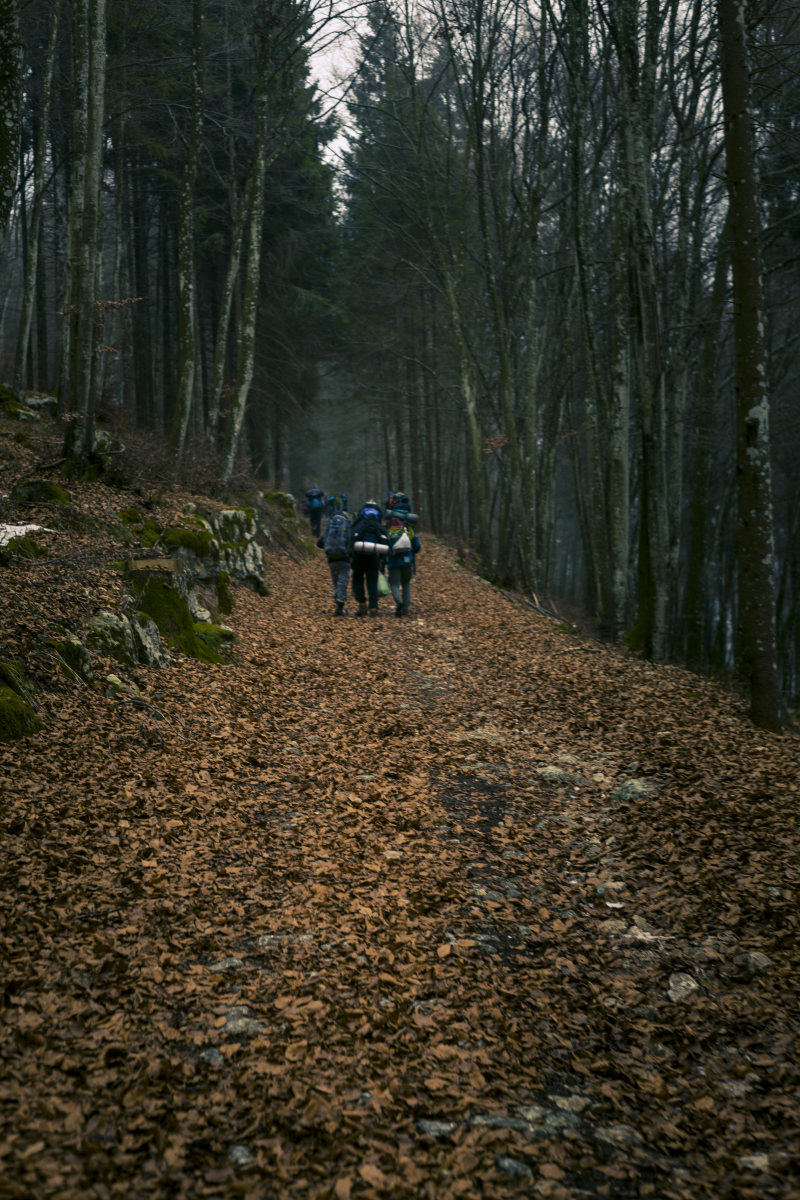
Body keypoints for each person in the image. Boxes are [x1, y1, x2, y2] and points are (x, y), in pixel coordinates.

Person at [350, 499, 388, 616]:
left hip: (359, 557)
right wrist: (382, 559)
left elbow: (351, 538)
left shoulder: (360, 521)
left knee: (358, 579)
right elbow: (385, 542)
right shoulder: (378, 523)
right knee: (372, 581)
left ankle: (362, 605)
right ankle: (373, 609)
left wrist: (351, 556)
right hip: (373, 557)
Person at [316, 505, 352, 616]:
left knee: (335, 581)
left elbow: (320, 543)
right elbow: (351, 541)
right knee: (343, 582)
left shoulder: (330, 525)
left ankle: (337, 595)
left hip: (331, 559)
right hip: (344, 559)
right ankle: (340, 607)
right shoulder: (347, 525)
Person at [385, 509, 421, 618]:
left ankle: (398, 602)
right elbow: (417, 546)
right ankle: (405, 609)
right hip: (407, 561)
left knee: (395, 584)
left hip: (393, 562)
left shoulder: (388, 530)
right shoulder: (408, 529)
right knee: (406, 584)